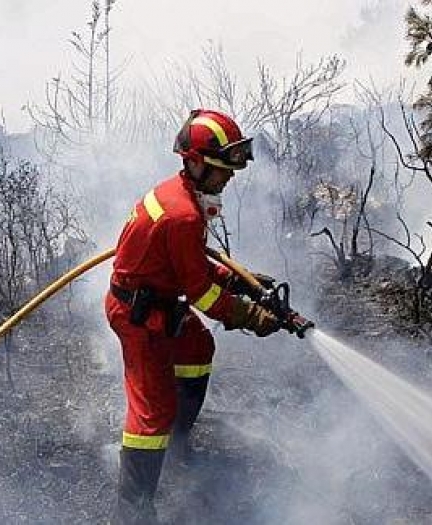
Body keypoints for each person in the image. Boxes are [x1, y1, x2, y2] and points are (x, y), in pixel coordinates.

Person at [105, 109, 281, 524]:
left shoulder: (181, 196)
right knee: (152, 413)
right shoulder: (182, 214)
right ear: (196, 162)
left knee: (197, 347)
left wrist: (240, 281)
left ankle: (178, 444)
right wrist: (251, 315)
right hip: (139, 316)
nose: (230, 178)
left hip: (161, 302)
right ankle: (132, 512)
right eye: (223, 168)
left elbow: (190, 266)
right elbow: (201, 292)